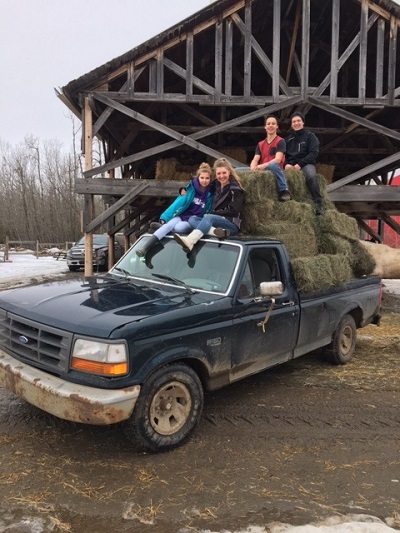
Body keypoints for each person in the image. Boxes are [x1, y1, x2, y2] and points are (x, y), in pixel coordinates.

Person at [136, 162, 213, 257]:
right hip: (182, 216)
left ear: (210, 179)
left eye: (207, 178)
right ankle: (144, 248)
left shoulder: (209, 196)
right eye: (202, 178)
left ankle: (161, 229)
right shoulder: (189, 189)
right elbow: (178, 203)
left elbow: (207, 211)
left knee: (179, 228)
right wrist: (165, 217)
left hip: (192, 221)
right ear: (198, 178)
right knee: (168, 225)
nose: (204, 180)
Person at [174, 158, 245, 253]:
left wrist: (214, 213)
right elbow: (201, 185)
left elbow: (234, 210)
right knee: (192, 219)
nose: (221, 176)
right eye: (218, 173)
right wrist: (186, 190)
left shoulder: (235, 189)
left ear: (229, 172)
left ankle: (190, 240)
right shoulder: (216, 185)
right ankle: (216, 232)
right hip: (217, 224)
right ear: (215, 174)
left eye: (224, 173)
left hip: (231, 224)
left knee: (209, 217)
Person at [284, 111, 324, 215]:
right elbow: (283, 155)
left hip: (306, 164)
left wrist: (300, 164)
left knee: (311, 176)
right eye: (294, 121)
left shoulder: (311, 136)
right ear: (291, 124)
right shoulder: (288, 139)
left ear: (303, 122)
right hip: (291, 165)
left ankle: (318, 204)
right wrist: (286, 164)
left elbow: (313, 153)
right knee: (279, 177)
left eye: (298, 121)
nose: (296, 123)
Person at [249, 114, 291, 202]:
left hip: (275, 169)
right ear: (265, 127)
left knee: (272, 164)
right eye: (268, 124)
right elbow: (255, 159)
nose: (270, 125)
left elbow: (278, 159)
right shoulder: (260, 144)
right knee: (238, 170)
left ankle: (284, 190)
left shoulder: (280, 141)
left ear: (277, 126)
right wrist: (253, 167)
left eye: (273, 123)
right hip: (263, 170)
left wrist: (262, 166)